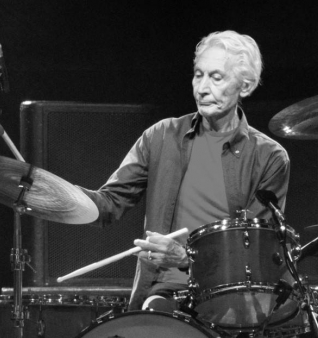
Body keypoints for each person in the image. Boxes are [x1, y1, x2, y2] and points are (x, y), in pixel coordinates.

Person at [79, 30, 290, 311]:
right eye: (198, 74)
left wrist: (185, 257)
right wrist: (52, 193)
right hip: (163, 292)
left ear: (245, 86)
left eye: (216, 77)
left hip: (229, 294)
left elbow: (251, 252)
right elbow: (108, 204)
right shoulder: (161, 136)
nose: (202, 88)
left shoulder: (269, 156)